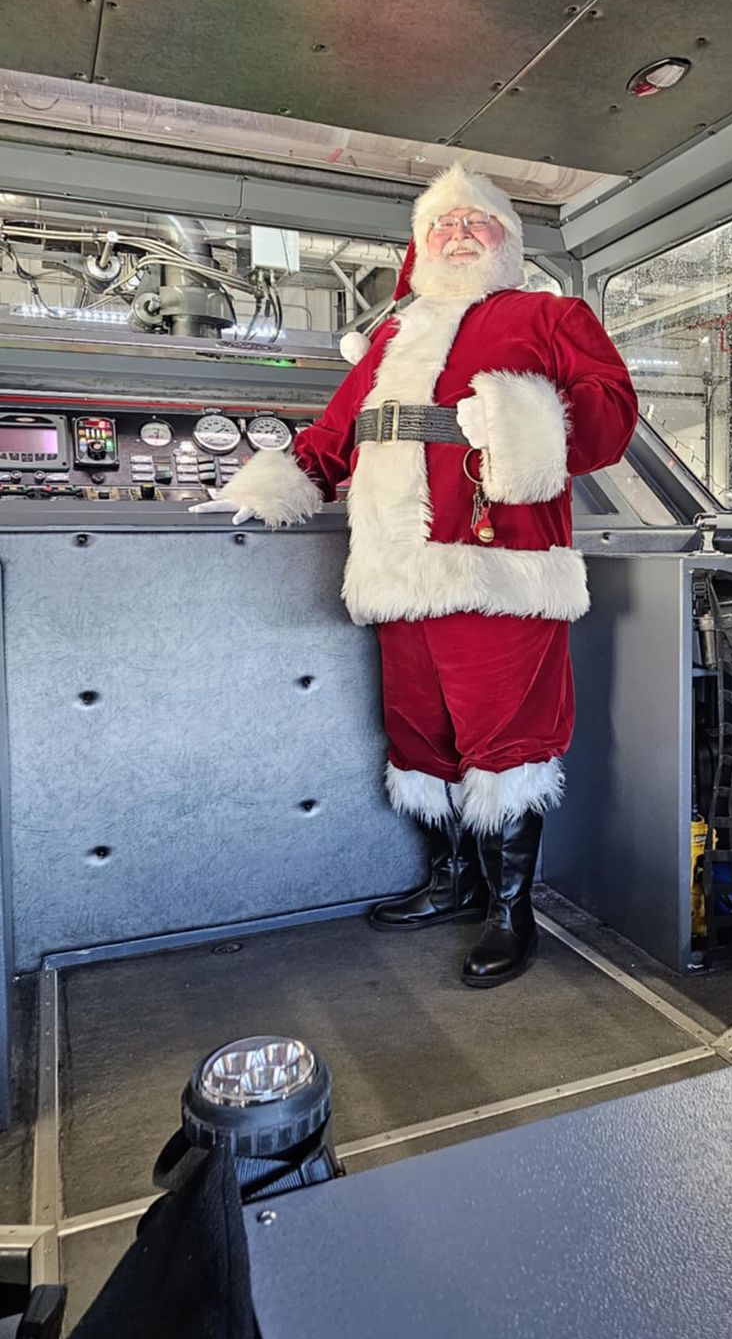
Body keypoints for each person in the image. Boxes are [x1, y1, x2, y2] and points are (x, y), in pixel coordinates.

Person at [194, 164, 637, 986]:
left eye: (480, 224)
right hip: (397, 572)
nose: (460, 234)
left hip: (498, 566)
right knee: (420, 733)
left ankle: (514, 911)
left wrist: (522, 418)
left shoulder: (550, 315)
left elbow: (610, 413)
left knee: (507, 742)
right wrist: (265, 489)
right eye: (444, 224)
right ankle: (456, 880)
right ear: (419, 244)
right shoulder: (391, 339)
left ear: (508, 243)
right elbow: (335, 436)